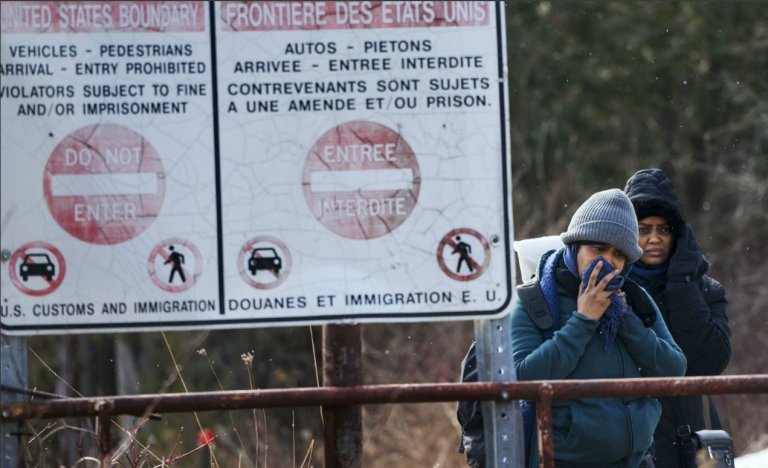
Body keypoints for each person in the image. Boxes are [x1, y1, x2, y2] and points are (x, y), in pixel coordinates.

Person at [511, 188, 687, 468]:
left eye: (619, 254)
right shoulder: (535, 301)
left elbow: (674, 370)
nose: (607, 261)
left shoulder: (635, 299)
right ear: (574, 247)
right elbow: (522, 379)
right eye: (598, 248)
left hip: (637, 460)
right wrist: (583, 320)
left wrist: (626, 319)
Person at [624, 168, 731, 468]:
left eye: (664, 229)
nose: (655, 238)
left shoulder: (706, 291)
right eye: (644, 229)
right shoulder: (610, 291)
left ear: (679, 234)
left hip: (691, 440)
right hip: (629, 441)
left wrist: (682, 282)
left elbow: (711, 359)